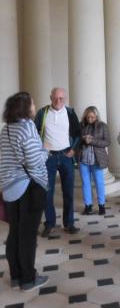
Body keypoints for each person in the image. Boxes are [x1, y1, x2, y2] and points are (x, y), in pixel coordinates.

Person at [0, 92, 49, 291]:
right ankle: (29, 279)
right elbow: (34, 161)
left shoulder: (6, 129)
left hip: (10, 188)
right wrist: (45, 151)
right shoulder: (27, 127)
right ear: (24, 107)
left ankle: (16, 276)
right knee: (27, 234)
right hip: (30, 187)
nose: (35, 106)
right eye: (32, 103)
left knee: (15, 233)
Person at [35, 87, 80, 237]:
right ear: (50, 97)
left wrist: (74, 150)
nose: (58, 101)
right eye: (55, 98)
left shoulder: (70, 113)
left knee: (68, 192)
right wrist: (42, 150)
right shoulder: (42, 113)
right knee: (47, 192)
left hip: (66, 156)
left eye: (61, 98)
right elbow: (35, 134)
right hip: (49, 158)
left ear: (65, 99)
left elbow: (78, 134)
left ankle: (69, 223)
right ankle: (50, 224)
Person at [79, 106, 110, 215]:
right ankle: (88, 206)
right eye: (88, 117)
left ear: (96, 116)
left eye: (92, 116)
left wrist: (92, 141)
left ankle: (101, 205)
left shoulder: (102, 126)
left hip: (97, 160)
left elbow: (107, 142)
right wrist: (83, 140)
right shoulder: (82, 125)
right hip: (84, 160)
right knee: (85, 184)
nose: (90, 119)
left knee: (99, 183)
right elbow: (77, 141)